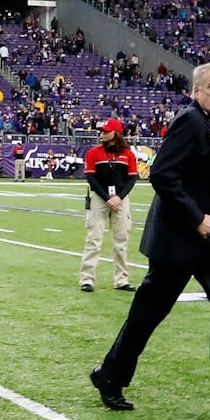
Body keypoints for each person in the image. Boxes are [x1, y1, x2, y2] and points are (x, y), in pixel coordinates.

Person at [89, 63, 210, 420]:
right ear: (196, 91)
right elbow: (162, 174)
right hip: (180, 236)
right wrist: (197, 217)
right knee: (148, 314)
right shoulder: (190, 121)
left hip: (205, 235)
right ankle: (109, 375)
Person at [78, 118, 138, 293]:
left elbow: (132, 177)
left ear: (116, 133)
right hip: (99, 197)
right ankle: (87, 278)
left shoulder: (128, 154)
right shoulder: (94, 152)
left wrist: (119, 197)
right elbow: (90, 177)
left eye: (106, 131)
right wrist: (107, 197)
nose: (102, 134)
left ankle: (122, 279)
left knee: (121, 241)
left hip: (120, 199)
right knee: (93, 239)